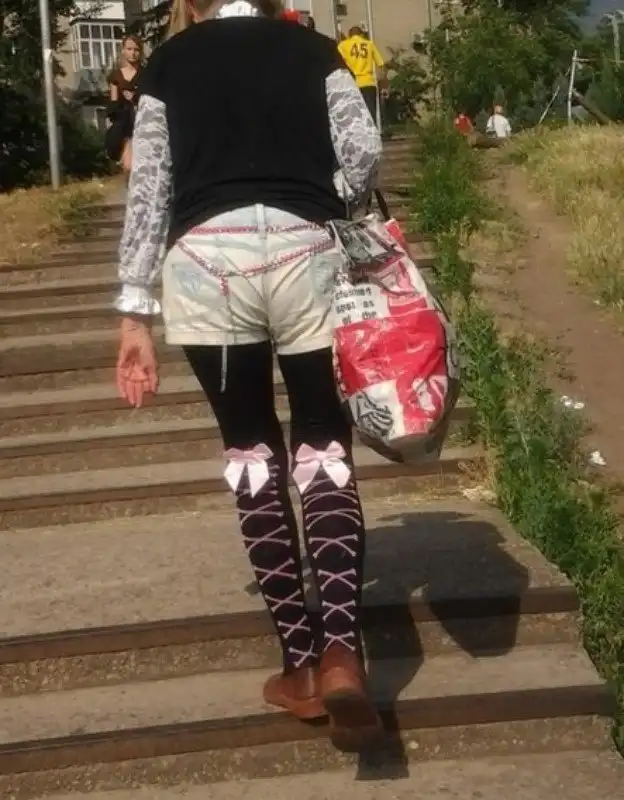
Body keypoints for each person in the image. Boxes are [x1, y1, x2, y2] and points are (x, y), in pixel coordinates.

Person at [114, 0, 383, 753]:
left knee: (252, 453)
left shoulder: (169, 63)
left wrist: (134, 311)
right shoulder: (315, 50)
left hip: (206, 262)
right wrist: (333, 197)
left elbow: (149, 188)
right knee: (323, 447)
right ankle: (343, 652)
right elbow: (363, 151)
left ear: (190, 3)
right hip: (306, 250)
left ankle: (300, 662)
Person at [107, 35, 143, 174]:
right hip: (123, 125)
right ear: (123, 50)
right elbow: (113, 103)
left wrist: (135, 97)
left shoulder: (145, 74)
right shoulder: (116, 76)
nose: (133, 53)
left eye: (136, 49)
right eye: (129, 49)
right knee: (128, 166)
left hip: (141, 123)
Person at [338, 25, 386, 123]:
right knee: (370, 114)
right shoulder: (369, 44)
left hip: (351, 83)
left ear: (349, 35)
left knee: (353, 116)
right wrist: (383, 84)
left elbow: (338, 63)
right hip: (368, 83)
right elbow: (381, 65)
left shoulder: (343, 45)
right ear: (362, 35)